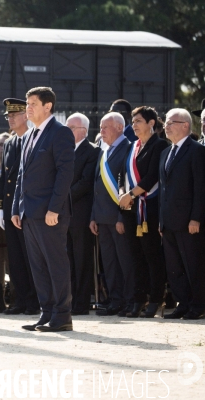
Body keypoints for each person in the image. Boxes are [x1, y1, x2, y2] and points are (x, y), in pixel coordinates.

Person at [11, 87, 75, 332]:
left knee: (55, 264)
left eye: (33, 103)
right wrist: (18, 207)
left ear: (48, 106)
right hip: (29, 213)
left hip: (50, 213)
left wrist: (54, 209)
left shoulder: (60, 133)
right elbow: (21, 175)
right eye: (27, 103)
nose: (28, 108)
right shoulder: (28, 135)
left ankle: (62, 315)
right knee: (38, 266)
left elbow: (64, 173)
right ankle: (46, 312)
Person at [117, 106, 169, 318]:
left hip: (150, 209)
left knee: (152, 256)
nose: (134, 125)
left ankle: (155, 299)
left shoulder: (159, 145)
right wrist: (123, 194)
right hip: (131, 210)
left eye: (138, 121)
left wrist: (131, 194)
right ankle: (139, 299)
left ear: (151, 123)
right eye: (133, 121)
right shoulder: (132, 147)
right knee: (135, 256)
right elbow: (122, 174)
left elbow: (151, 177)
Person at [158, 108, 205, 320]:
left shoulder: (196, 151)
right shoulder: (166, 153)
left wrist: (196, 217)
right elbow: (163, 189)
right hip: (169, 221)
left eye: (171, 122)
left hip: (188, 221)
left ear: (185, 125)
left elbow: (200, 187)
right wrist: (161, 220)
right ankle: (183, 303)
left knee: (193, 264)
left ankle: (198, 304)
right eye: (166, 123)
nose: (166, 126)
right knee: (174, 267)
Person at [89, 113, 134, 318]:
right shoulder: (104, 151)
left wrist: (121, 216)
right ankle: (115, 300)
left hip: (117, 218)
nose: (101, 131)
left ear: (118, 127)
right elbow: (96, 186)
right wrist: (93, 216)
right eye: (100, 127)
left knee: (125, 261)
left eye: (105, 127)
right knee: (109, 262)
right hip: (102, 217)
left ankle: (129, 300)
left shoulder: (128, 149)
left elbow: (126, 185)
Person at [0, 98, 39, 315]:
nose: (10, 119)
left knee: (30, 257)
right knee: (15, 258)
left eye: (14, 115)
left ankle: (34, 301)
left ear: (26, 115)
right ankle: (20, 299)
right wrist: (1, 207)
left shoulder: (34, 139)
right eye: (8, 116)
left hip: (27, 208)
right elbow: (5, 178)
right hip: (11, 208)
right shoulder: (11, 143)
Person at [65, 113, 100, 315]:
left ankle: (82, 303)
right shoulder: (65, 151)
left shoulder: (91, 152)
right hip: (64, 216)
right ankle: (70, 301)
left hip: (80, 214)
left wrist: (60, 197)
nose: (67, 131)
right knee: (68, 260)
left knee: (82, 260)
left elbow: (85, 183)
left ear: (83, 131)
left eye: (71, 128)